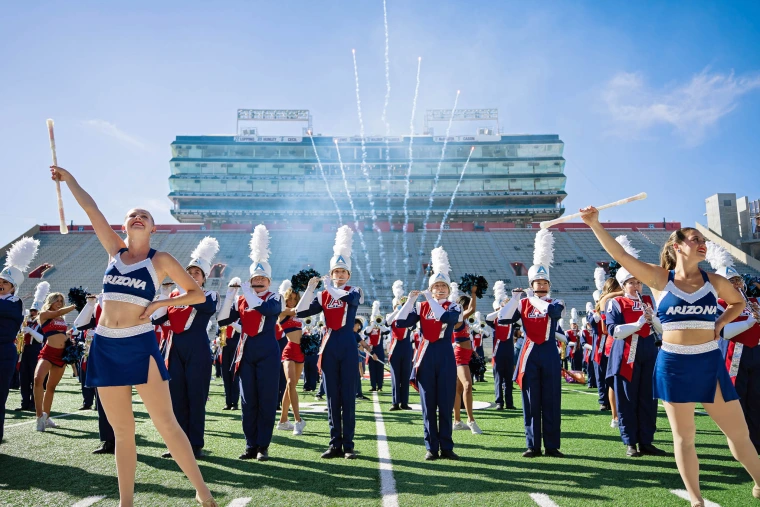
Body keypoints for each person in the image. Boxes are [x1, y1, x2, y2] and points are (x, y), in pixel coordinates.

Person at [51, 165, 216, 507]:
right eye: (131, 215)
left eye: (144, 215)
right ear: (124, 226)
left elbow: (197, 295)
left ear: (153, 227)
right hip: (105, 346)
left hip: (140, 344)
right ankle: (126, 502)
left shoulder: (162, 260)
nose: (137, 217)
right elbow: (91, 210)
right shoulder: (114, 251)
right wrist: (70, 180)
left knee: (166, 424)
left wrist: (160, 301)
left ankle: (203, 494)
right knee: (123, 432)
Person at [581, 206, 760, 507]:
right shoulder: (659, 279)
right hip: (673, 363)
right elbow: (622, 258)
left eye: (703, 238)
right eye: (694, 238)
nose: (702, 242)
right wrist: (595, 224)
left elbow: (737, 302)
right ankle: (696, 500)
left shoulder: (714, 280)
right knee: (684, 437)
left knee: (739, 435)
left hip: (708, 362)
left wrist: (719, 324)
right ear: (677, 246)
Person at [295, 226, 366, 459]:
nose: (339, 275)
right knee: (332, 398)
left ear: (349, 275)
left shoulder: (354, 291)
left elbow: (345, 298)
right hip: (330, 344)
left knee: (347, 396)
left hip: (346, 343)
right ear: (331, 273)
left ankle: (349, 445)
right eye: (336, 271)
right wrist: (309, 289)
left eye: (343, 272)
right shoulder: (324, 294)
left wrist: (327, 288)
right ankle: (334, 443)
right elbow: (300, 310)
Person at [498, 230, 566, 458]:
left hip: (548, 351)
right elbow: (504, 318)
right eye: (537, 282)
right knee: (530, 400)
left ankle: (552, 445)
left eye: (544, 281)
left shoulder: (555, 301)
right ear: (531, 282)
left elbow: (554, 313)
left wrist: (531, 297)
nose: (541, 285)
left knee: (551, 399)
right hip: (528, 353)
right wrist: (517, 298)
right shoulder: (524, 302)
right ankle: (532, 444)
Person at [217, 225, 282, 462]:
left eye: (263, 279)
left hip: (267, 351)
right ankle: (250, 444)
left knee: (266, 400)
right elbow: (223, 319)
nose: (259, 282)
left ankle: (263, 445)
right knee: (247, 401)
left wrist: (247, 291)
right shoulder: (244, 298)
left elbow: (265, 308)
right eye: (255, 279)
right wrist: (231, 296)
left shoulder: (275, 297)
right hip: (246, 353)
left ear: (269, 280)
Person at [152, 237, 220, 459]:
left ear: (204, 277)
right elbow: (157, 320)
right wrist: (164, 296)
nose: (191, 276)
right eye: (188, 272)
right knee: (176, 398)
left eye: (197, 273)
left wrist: (185, 292)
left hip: (198, 349)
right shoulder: (172, 295)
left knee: (196, 397)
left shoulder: (209, 294)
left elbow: (207, 306)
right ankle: (177, 445)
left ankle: (195, 444)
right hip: (175, 349)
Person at [392, 246, 461, 461]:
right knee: (428, 404)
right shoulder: (421, 307)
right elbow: (400, 322)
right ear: (431, 288)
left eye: (443, 286)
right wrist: (411, 301)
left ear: (448, 289)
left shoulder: (454, 306)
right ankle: (431, 447)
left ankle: (447, 447)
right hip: (425, 356)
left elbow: (447, 320)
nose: (440, 289)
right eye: (436, 286)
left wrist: (429, 300)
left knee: (445, 403)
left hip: (445, 355)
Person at [605, 235, 663, 458]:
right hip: (625, 356)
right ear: (623, 285)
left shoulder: (648, 301)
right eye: (632, 282)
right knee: (627, 400)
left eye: (638, 281)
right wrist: (637, 323)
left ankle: (647, 441)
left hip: (648, 353)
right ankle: (630, 441)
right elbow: (613, 331)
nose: (636, 285)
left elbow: (661, 328)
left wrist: (652, 319)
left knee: (648, 399)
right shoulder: (616, 302)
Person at [706, 241, 760, 454]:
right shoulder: (717, 304)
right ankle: (742, 445)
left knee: (756, 400)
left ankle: (756, 443)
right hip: (733, 356)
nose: (736, 285)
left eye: (737, 280)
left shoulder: (752, 301)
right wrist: (751, 322)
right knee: (738, 402)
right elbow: (725, 332)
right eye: (731, 282)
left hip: (755, 354)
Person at [1, 237, 39, 443]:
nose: (0, 285)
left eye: (5, 282)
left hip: (3, 351)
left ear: (13, 287)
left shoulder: (14, 303)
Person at [73, 294, 116, 455]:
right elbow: (79, 324)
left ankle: (122, 440)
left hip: (119, 354)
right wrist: (90, 304)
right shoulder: (98, 304)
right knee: (102, 401)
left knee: (119, 401)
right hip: (100, 355)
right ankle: (108, 441)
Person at [35, 291, 77, 431]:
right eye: (56, 300)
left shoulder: (61, 318)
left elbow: (62, 334)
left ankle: (47, 418)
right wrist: (75, 305)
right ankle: (39, 416)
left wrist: (70, 343)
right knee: (38, 379)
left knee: (51, 387)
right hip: (48, 353)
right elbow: (53, 315)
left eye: (61, 301)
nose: (59, 303)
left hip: (61, 354)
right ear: (50, 301)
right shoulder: (44, 314)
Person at [276, 280, 307, 436]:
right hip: (289, 350)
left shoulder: (298, 313)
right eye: (290, 298)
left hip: (300, 351)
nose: (292, 301)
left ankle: (282, 421)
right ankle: (298, 420)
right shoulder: (283, 311)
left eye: (295, 298)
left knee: (291, 386)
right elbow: (296, 310)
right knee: (289, 382)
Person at [451, 286, 482, 435]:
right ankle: (471, 420)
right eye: (466, 306)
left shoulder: (464, 321)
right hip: (459, 356)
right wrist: (474, 293)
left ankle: (457, 421)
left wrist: (473, 352)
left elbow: (466, 338)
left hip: (466, 354)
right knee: (468, 385)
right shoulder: (458, 318)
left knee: (458, 388)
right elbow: (472, 308)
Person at [15, 281, 47, 412]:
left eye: (35, 311)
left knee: (35, 378)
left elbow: (41, 339)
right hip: (25, 351)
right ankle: (24, 403)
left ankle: (34, 403)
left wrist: (31, 331)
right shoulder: (26, 323)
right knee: (24, 378)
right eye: (32, 311)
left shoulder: (41, 324)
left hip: (36, 351)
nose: (32, 313)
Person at [486, 281, 516, 410]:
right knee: (499, 379)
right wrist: (501, 309)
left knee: (509, 379)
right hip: (498, 353)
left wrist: (509, 308)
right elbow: (487, 318)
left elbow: (519, 319)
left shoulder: (512, 321)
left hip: (509, 352)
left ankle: (509, 403)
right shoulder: (495, 321)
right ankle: (499, 402)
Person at [386, 280, 414, 411]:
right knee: (395, 376)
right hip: (395, 347)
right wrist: (397, 309)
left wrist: (404, 310)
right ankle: (395, 402)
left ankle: (404, 402)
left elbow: (412, 326)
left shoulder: (408, 317)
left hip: (406, 347)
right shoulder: (390, 315)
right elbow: (387, 322)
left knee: (405, 375)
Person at [364, 301, 389, 392]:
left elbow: (387, 331)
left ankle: (380, 386)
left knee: (380, 369)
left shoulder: (381, 329)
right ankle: (373, 386)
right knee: (372, 369)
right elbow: (367, 332)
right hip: (371, 350)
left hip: (379, 350)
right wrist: (373, 323)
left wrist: (379, 324)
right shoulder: (368, 328)